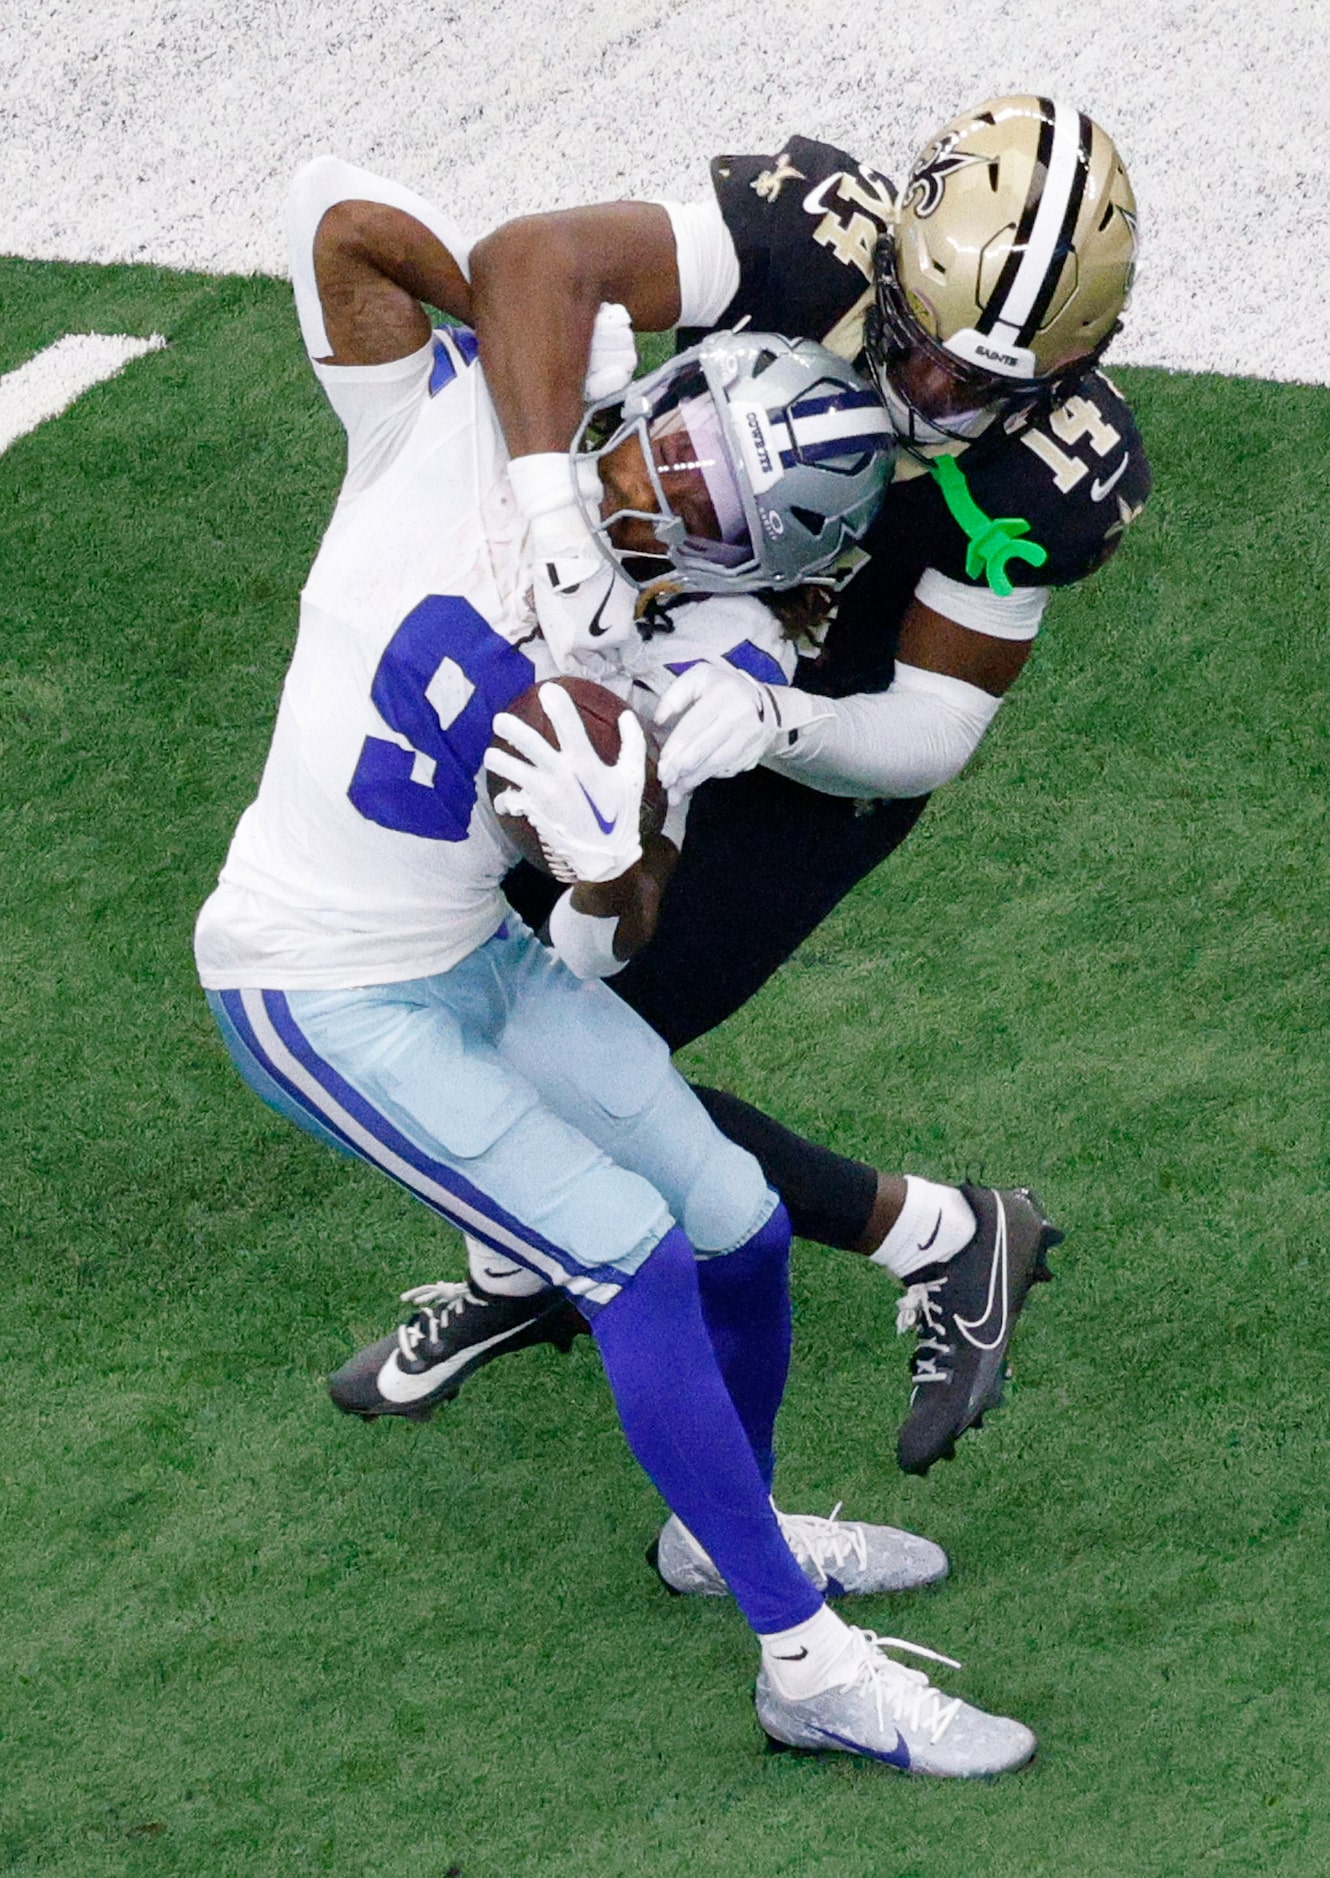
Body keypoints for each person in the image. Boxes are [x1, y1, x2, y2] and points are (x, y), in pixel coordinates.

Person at [193, 155, 1036, 1775]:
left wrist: (612, 864)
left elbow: (602, 946)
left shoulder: (677, 660)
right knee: (626, 1250)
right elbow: (345, 217)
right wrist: (531, 478)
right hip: (313, 980)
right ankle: (804, 1659)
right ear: (646, 399)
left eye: (689, 510)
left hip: (475, 962)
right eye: (648, 451)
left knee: (726, 1218)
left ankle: (723, 1533)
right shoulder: (463, 427)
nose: (644, 495)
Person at [334, 95, 1133, 1473]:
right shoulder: (805, 229)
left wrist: (769, 719)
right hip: (642, 621)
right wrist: (546, 512)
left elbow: (934, 724)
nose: (937, 401)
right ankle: (527, 1266)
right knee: (458, 960)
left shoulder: (1051, 470)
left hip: (818, 748)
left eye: (981, 389)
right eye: (925, 357)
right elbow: (533, 258)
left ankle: (943, 1236)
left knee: (560, 1043)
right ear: (886, 262)